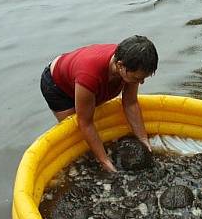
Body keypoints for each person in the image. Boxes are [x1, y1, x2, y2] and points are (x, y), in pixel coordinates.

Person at [40, 35, 158, 173]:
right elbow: (85, 123)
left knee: (92, 124)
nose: (141, 82)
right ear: (120, 66)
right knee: (77, 136)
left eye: (144, 78)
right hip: (58, 87)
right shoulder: (90, 76)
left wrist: (144, 140)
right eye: (138, 78)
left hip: (83, 80)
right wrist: (106, 162)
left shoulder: (131, 63)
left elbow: (130, 103)